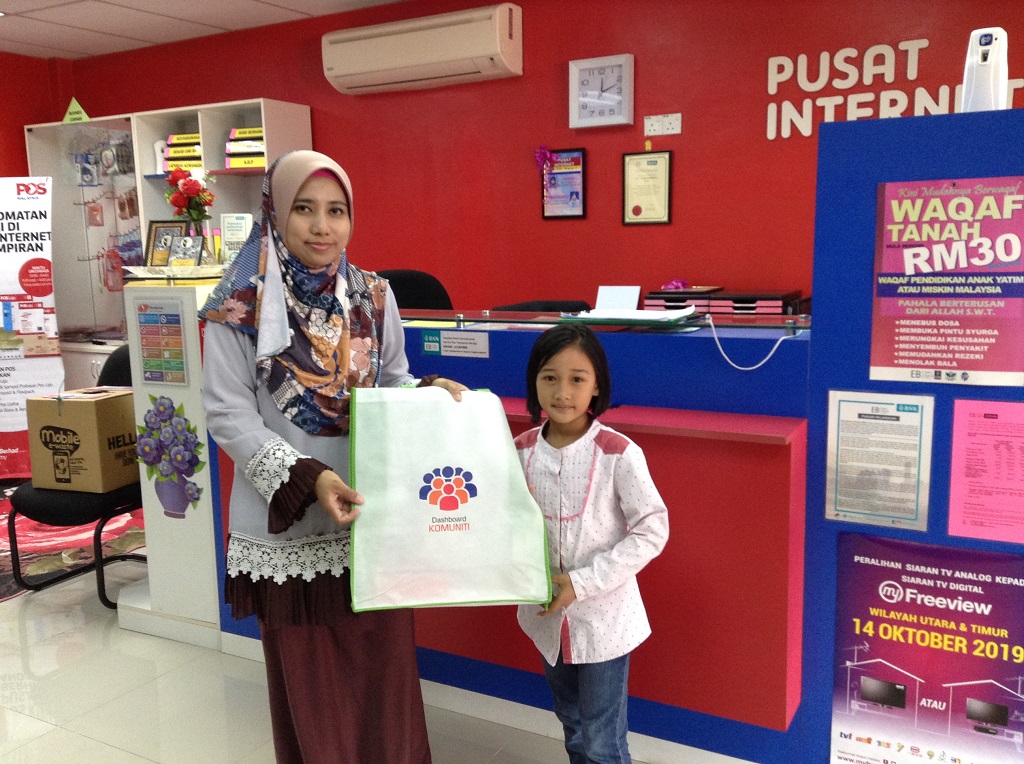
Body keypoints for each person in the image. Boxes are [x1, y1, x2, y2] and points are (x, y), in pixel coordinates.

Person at [199, 149, 466, 763]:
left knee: (385, 678)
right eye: (304, 209)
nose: (322, 227)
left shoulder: (374, 296)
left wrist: (426, 391)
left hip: (372, 515)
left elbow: (390, 380)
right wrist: (308, 477)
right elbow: (227, 414)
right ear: (275, 213)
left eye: (336, 211)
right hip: (289, 521)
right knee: (313, 688)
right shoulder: (238, 306)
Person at [514, 323, 669, 764]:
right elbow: (508, 523)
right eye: (549, 377)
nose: (562, 392)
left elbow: (652, 529)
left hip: (605, 622)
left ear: (596, 386)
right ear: (534, 382)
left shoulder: (619, 452)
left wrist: (580, 583)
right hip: (546, 618)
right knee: (573, 726)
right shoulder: (519, 450)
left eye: (577, 379)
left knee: (603, 740)